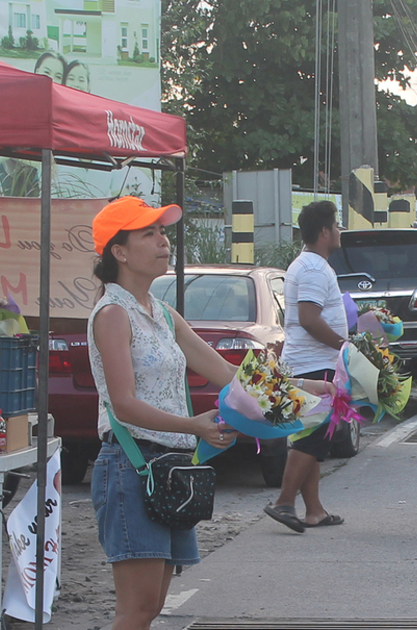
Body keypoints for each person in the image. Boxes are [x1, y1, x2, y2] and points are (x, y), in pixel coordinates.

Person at [87, 196, 330, 629]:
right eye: (149, 233)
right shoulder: (112, 314)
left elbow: (226, 372)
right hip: (132, 465)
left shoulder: (160, 312)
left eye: (162, 231)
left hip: (168, 466)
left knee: (153, 606)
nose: (163, 241)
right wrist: (192, 425)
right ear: (118, 252)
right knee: (136, 610)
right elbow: (123, 403)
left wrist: (299, 387)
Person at [263, 200, 347, 533]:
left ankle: (314, 510)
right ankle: (285, 501)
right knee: (311, 439)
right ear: (324, 232)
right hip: (315, 366)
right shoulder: (313, 268)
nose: (339, 232)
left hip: (311, 362)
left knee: (311, 438)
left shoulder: (310, 264)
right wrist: (346, 346)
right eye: (336, 226)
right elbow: (310, 319)